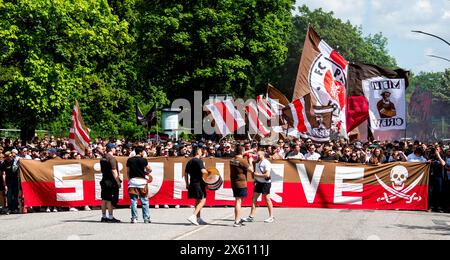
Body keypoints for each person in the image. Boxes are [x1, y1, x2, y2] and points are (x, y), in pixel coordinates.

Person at [243, 151, 274, 224]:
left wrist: (256, 175)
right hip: (259, 183)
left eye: (259, 155)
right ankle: (251, 216)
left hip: (266, 183)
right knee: (254, 199)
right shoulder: (259, 161)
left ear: (263, 155)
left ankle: (271, 216)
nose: (257, 156)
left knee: (267, 199)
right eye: (257, 155)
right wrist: (256, 179)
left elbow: (267, 175)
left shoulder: (266, 163)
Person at [230, 146, 254, 227]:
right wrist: (250, 161)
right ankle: (237, 221)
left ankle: (237, 219)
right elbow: (251, 170)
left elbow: (240, 153)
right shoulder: (242, 161)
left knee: (238, 200)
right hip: (241, 183)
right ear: (242, 152)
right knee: (238, 201)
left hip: (234, 183)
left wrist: (248, 151)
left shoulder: (232, 160)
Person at [127, 147, 152, 224]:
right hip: (142, 182)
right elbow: (149, 169)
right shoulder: (143, 160)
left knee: (133, 201)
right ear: (141, 152)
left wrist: (129, 179)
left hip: (133, 181)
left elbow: (128, 172)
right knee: (144, 201)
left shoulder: (130, 160)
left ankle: (134, 218)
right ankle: (146, 218)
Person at [185, 147, 209, 226]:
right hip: (199, 183)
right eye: (200, 151)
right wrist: (209, 172)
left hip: (192, 183)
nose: (201, 152)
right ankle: (193, 216)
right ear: (198, 152)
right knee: (203, 200)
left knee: (197, 201)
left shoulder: (190, 161)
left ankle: (198, 219)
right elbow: (203, 171)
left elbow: (185, 173)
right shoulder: (199, 161)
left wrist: (187, 183)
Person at [99, 143, 122, 223]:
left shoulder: (103, 158)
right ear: (111, 149)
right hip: (110, 181)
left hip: (104, 179)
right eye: (114, 148)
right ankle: (110, 217)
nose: (115, 149)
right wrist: (118, 181)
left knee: (104, 199)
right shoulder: (111, 158)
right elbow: (113, 170)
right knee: (109, 200)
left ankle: (103, 216)